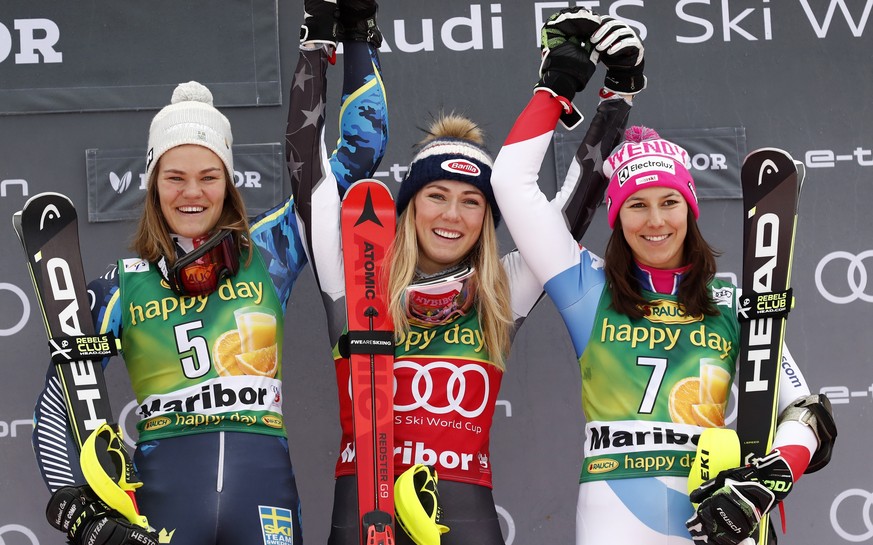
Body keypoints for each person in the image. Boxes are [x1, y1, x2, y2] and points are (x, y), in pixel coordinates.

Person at [30, 2, 388, 543]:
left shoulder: (270, 253)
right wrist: (82, 512)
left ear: (229, 181)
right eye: (174, 177)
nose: (192, 193)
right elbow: (62, 397)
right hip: (163, 508)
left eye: (208, 176)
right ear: (153, 184)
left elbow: (359, 153)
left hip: (264, 503)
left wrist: (355, 39)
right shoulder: (122, 283)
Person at [290, 6, 646, 544]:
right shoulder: (357, 277)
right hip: (363, 520)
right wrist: (318, 45)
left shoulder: (498, 296)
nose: (452, 216)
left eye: (471, 202)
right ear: (410, 207)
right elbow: (309, 175)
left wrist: (615, 93)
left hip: (468, 519)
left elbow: (572, 207)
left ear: (488, 218)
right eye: (436, 196)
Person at [489, 7, 837, 545]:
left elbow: (807, 411)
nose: (655, 221)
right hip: (615, 519)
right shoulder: (588, 287)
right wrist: (558, 83)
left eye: (670, 201)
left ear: (690, 209)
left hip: (721, 516)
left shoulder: (730, 299)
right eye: (637, 205)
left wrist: (767, 481)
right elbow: (511, 182)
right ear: (617, 216)